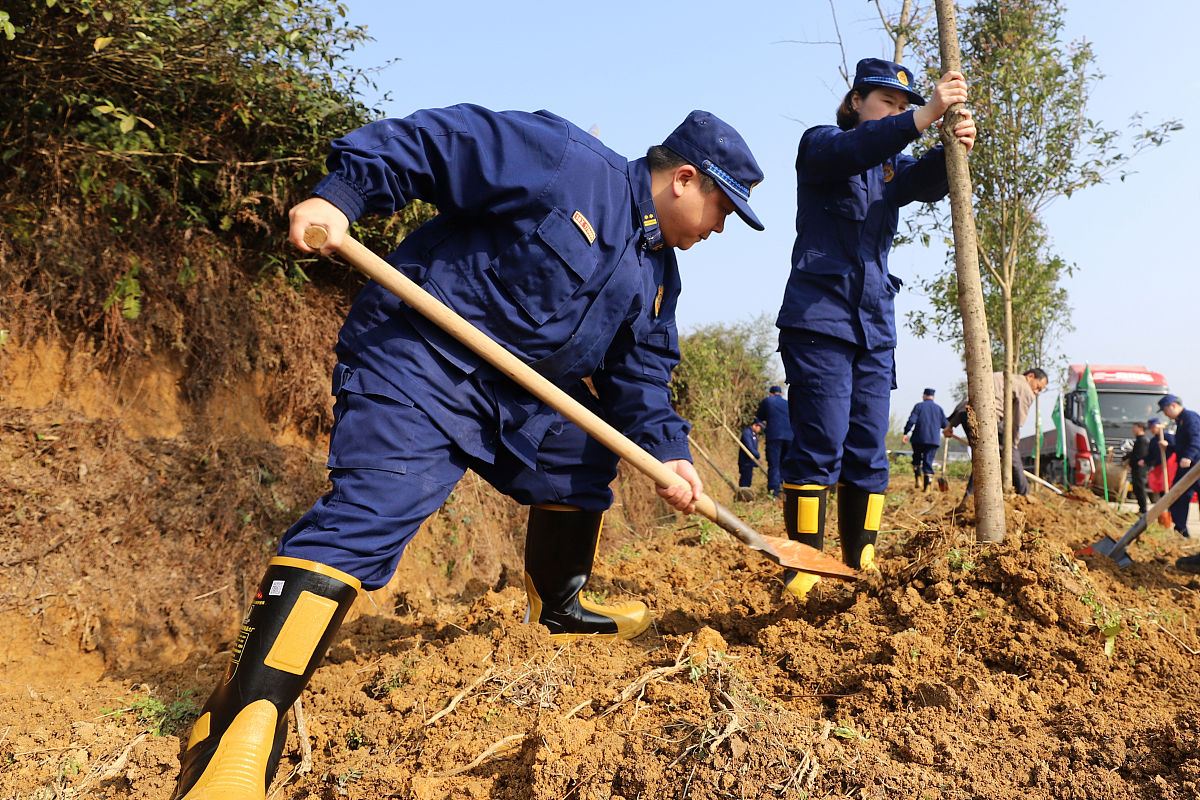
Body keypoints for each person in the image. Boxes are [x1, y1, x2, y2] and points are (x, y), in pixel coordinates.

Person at [170, 104, 765, 799]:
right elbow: (431, 144)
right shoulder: (565, 161)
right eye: (723, 209)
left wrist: (668, 452)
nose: (720, 227)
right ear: (686, 179)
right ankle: (237, 723)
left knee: (581, 450)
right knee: (375, 510)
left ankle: (560, 608)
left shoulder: (658, 273)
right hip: (418, 364)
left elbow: (641, 375)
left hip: (513, 401)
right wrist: (342, 196)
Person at [773, 57, 976, 601]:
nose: (895, 111)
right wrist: (923, 116)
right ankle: (804, 568)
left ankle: (859, 563)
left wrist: (951, 145)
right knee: (820, 442)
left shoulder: (890, 168)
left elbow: (924, 181)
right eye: (886, 101)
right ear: (855, 101)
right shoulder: (821, 146)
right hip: (820, 321)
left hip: (873, 328)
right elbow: (857, 149)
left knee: (868, 447)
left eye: (903, 105)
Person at [947, 368, 1049, 497]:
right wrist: (1013, 444)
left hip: (965, 415)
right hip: (988, 419)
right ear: (1030, 376)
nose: (1036, 392)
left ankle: (970, 496)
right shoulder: (1025, 388)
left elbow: (967, 400)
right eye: (1038, 387)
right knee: (1012, 455)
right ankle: (1025, 495)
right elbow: (1017, 422)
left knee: (982, 457)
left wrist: (951, 425)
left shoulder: (998, 376)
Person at [1158, 396, 1200, 556]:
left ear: (1173, 405)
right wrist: (1169, 446)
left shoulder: (1190, 417)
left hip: (1195, 466)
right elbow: (1181, 445)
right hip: (1186, 467)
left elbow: (1196, 439)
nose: (1165, 414)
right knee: (1178, 497)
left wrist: (1189, 456)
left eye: (1165, 410)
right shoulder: (1180, 421)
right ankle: (1181, 531)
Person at [902, 388, 948, 491]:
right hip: (933, 440)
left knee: (916, 459)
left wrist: (906, 432)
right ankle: (927, 487)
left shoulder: (919, 406)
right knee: (928, 461)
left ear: (924, 395)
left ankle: (918, 479)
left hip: (918, 439)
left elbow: (911, 420)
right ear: (933, 397)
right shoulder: (939, 409)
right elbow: (945, 424)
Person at [755, 385, 791, 496]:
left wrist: (763, 426)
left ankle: (773, 492)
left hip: (774, 436)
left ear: (771, 394)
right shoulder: (788, 403)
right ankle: (785, 490)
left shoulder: (768, 401)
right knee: (786, 464)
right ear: (781, 394)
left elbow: (758, 417)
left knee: (774, 464)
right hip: (790, 437)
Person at [1145, 416, 1177, 503]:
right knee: (1161, 488)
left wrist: (1167, 445)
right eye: (1150, 428)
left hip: (1170, 467)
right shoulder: (1153, 441)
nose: (1151, 430)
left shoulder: (1169, 437)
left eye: (1153, 427)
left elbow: (1177, 449)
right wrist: (1144, 460)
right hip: (1159, 467)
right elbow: (1151, 455)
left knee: (1171, 487)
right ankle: (1164, 505)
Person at [1123, 420, 1152, 515]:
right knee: (1136, 488)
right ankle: (1141, 509)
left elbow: (1139, 455)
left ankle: (1143, 510)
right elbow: (1134, 453)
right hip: (1136, 468)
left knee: (1139, 488)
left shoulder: (1143, 440)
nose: (1133, 429)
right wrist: (1126, 457)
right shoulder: (1139, 440)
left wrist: (1131, 465)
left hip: (1140, 469)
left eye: (1135, 427)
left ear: (1141, 428)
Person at [738, 419, 765, 492]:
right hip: (745, 462)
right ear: (754, 425)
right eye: (759, 427)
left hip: (750, 462)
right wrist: (758, 456)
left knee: (748, 480)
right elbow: (750, 448)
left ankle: (744, 494)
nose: (760, 429)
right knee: (745, 481)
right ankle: (742, 494)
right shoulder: (747, 433)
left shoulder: (753, 434)